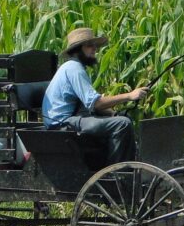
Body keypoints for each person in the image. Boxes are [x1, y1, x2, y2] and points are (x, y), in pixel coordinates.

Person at [42, 28, 149, 164]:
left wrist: (113, 113)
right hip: (62, 125)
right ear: (77, 49)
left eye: (95, 45)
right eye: (89, 46)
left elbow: (87, 105)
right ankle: (119, 174)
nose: (94, 49)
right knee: (122, 124)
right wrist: (130, 95)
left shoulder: (74, 67)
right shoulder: (74, 69)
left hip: (71, 120)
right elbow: (96, 103)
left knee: (121, 117)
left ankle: (116, 166)